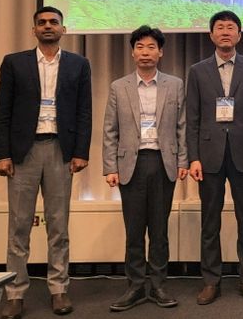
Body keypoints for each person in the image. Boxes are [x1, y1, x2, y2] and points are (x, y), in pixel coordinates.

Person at [0, 6, 92, 319]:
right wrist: (2, 154)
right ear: (33, 29)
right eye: (42, 22)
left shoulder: (78, 64)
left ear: (63, 29)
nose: (48, 26)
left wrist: (81, 152)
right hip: (23, 153)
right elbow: (2, 110)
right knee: (18, 226)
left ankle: (59, 289)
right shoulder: (14, 63)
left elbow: (84, 111)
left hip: (60, 150)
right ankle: (15, 293)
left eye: (53, 22)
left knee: (58, 226)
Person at [186, 10, 243, 304]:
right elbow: (192, 118)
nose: (225, 32)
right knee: (210, 221)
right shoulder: (197, 71)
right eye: (220, 27)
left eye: (230, 27)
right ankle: (211, 281)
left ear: (239, 35)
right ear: (211, 35)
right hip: (208, 154)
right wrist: (193, 157)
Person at [102, 26, 187, 311]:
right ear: (132, 52)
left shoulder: (175, 85)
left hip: (163, 162)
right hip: (131, 164)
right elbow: (110, 130)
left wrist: (183, 161)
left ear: (160, 52)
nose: (145, 52)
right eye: (140, 47)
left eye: (151, 47)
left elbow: (182, 126)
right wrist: (110, 167)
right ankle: (135, 286)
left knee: (160, 230)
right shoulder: (119, 86)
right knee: (134, 229)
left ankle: (159, 285)